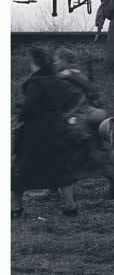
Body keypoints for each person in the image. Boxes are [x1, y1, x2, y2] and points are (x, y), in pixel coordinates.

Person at [11, 45, 93, 218]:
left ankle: (15, 207)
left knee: (22, 167)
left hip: (35, 130)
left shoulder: (36, 82)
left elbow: (29, 108)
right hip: (57, 127)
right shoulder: (56, 80)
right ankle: (70, 206)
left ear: (33, 62)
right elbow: (73, 97)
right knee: (62, 166)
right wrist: (62, 113)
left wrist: (20, 117)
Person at [53, 48, 114, 199]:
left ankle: (54, 188)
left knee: (63, 155)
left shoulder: (62, 78)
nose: (55, 63)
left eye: (57, 60)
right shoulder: (79, 74)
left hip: (76, 121)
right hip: (89, 118)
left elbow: (65, 102)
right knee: (98, 154)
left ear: (64, 61)